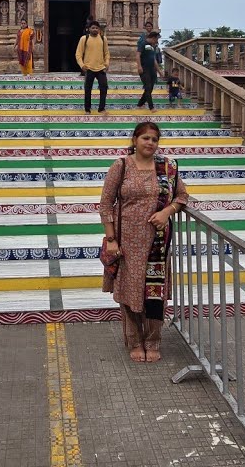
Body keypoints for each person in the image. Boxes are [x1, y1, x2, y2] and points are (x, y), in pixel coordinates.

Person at [99, 122, 190, 363]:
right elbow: (106, 204)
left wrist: (166, 212)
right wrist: (111, 239)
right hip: (127, 242)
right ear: (135, 140)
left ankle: (153, 340)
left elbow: (182, 196)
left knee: (155, 292)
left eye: (154, 139)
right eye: (146, 138)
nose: (150, 143)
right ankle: (135, 341)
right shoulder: (121, 166)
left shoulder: (167, 167)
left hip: (157, 243)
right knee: (129, 291)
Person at [75, 20, 111, 114]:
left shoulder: (103, 39)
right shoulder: (84, 38)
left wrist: (106, 64)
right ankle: (87, 109)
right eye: (93, 28)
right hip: (89, 68)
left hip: (101, 68)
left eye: (96, 28)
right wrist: (82, 65)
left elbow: (107, 53)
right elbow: (78, 54)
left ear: (99, 29)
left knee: (104, 88)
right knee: (88, 89)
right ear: (89, 29)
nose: (95, 29)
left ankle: (101, 108)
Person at [137, 30, 163, 111]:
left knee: (150, 88)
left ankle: (140, 104)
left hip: (152, 70)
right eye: (156, 39)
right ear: (153, 38)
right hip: (144, 69)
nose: (157, 41)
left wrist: (159, 71)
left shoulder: (152, 47)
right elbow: (137, 55)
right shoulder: (143, 44)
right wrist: (139, 66)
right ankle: (151, 107)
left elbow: (154, 59)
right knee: (148, 87)